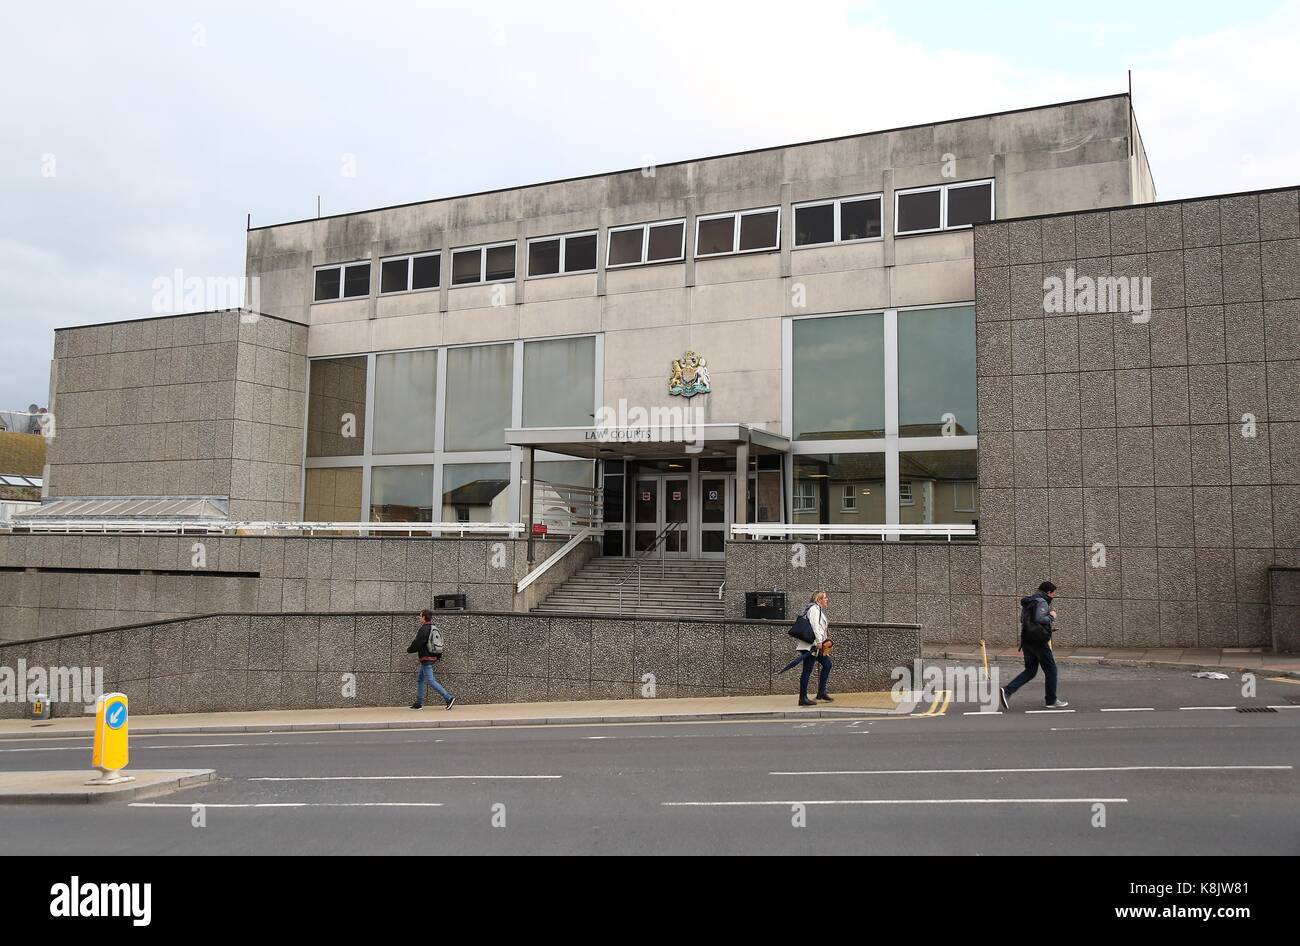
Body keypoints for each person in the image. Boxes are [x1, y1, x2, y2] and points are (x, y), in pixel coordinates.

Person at [999, 581, 1068, 709]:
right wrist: (1052, 617)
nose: (1054, 597)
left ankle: (1007, 690)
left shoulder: (1030, 602)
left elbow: (1024, 620)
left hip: (1027, 641)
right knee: (1051, 670)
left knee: (1030, 671)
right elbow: (1038, 619)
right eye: (1053, 594)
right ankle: (1051, 700)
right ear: (1049, 592)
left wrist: (1046, 628)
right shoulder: (1041, 601)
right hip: (1039, 642)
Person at [408, 609, 456, 710]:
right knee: (420, 679)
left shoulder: (424, 629)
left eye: (420, 616)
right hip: (432, 656)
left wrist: (409, 649)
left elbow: (418, 643)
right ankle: (418, 703)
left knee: (430, 680)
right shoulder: (434, 628)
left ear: (424, 617)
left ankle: (449, 698)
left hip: (426, 658)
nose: (419, 618)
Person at [796, 591, 833, 707]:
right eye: (825, 598)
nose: (827, 600)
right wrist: (819, 642)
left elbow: (822, 628)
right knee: (807, 671)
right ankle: (802, 698)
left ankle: (821, 692)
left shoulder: (819, 611)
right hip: (811, 646)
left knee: (827, 664)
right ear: (818, 600)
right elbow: (815, 626)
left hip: (818, 646)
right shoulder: (814, 609)